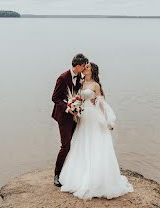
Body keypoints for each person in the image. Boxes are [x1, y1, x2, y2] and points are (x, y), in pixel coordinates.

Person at [57, 61, 134, 200]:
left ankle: (96, 178)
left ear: (92, 71)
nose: (85, 69)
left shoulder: (95, 85)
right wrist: (73, 106)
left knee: (95, 142)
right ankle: (78, 174)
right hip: (82, 116)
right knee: (80, 143)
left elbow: (102, 103)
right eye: (85, 67)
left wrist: (107, 120)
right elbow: (76, 97)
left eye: (87, 68)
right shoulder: (80, 83)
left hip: (92, 116)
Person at [52, 53, 88, 187]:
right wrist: (68, 107)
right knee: (65, 145)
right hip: (64, 116)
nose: (85, 67)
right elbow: (55, 98)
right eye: (83, 65)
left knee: (75, 143)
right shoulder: (62, 77)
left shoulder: (81, 77)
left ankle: (69, 172)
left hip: (76, 115)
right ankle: (56, 174)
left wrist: (77, 107)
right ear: (78, 66)